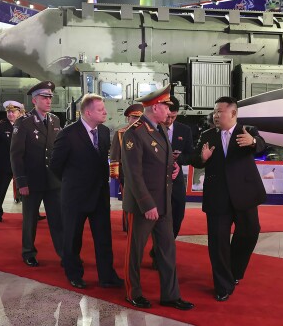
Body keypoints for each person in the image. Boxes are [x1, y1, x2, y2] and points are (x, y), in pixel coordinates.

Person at [121, 85, 194, 311]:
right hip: (145, 205)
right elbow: (133, 174)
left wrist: (172, 169)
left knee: (167, 250)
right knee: (135, 250)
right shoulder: (135, 132)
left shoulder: (161, 130)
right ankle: (133, 292)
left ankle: (171, 295)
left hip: (164, 203)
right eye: (166, 106)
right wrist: (147, 204)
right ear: (155, 107)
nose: (169, 111)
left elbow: (163, 160)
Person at [191, 96, 267, 302]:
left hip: (244, 195)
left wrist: (253, 142)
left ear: (233, 113)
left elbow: (261, 145)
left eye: (220, 112)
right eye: (214, 112)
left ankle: (234, 270)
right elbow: (195, 158)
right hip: (218, 197)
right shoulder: (207, 134)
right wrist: (202, 158)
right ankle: (222, 285)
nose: (216, 115)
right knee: (218, 242)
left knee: (250, 232)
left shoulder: (247, 131)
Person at [50, 94, 123, 289]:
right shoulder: (68, 134)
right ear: (88, 112)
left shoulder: (105, 131)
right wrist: (73, 184)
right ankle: (74, 274)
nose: (105, 112)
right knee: (73, 239)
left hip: (99, 195)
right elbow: (56, 166)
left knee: (104, 238)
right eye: (101, 110)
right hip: (75, 197)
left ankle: (107, 276)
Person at [10, 81, 64, 267]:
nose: (48, 100)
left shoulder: (55, 121)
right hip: (32, 182)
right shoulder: (23, 122)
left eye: (50, 97)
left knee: (57, 219)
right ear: (35, 100)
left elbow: (57, 151)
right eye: (44, 97)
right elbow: (16, 155)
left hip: (53, 181)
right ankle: (28, 252)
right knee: (30, 219)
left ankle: (64, 253)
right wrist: (21, 182)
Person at [150, 96, 194, 269]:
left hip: (176, 183)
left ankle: (159, 250)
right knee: (158, 220)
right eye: (167, 115)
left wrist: (179, 158)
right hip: (156, 183)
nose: (169, 120)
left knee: (177, 217)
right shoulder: (151, 129)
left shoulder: (184, 130)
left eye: (173, 117)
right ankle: (160, 253)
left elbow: (191, 155)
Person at [109, 103, 144, 232]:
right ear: (127, 118)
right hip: (126, 173)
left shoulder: (146, 133)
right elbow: (114, 153)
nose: (136, 120)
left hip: (144, 173)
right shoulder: (120, 133)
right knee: (128, 200)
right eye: (133, 117)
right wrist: (115, 173)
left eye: (139, 117)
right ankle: (128, 225)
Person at [0, 100, 24, 222]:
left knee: (27, 190)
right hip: (5, 164)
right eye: (8, 112)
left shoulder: (24, 124)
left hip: (21, 165)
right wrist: (0, 158)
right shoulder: (0, 126)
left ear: (19, 112)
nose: (10, 114)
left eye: (13, 111)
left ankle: (32, 213)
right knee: (1, 189)